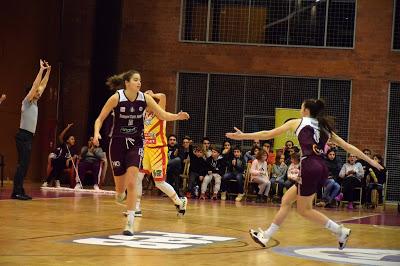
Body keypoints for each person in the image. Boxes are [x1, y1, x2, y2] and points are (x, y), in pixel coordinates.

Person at [226, 99, 382, 250]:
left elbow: (268, 134)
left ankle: (340, 231)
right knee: (286, 200)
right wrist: (371, 161)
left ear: (306, 110)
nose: (300, 110)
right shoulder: (324, 128)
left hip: (309, 165)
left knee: (304, 210)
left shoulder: (297, 122)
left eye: (301, 108)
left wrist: (242, 135)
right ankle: (266, 235)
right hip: (321, 168)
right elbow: (349, 147)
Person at [93, 69, 189, 236]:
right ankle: (124, 197)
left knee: (137, 180)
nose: (139, 83)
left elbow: (164, 108)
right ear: (127, 82)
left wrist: (177, 116)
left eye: (140, 80)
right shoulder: (121, 100)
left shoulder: (148, 102)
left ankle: (131, 220)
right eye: (136, 80)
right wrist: (96, 133)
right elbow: (100, 118)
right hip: (120, 144)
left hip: (144, 147)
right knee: (123, 189)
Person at [135, 90, 188, 217]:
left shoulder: (158, 113)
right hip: (146, 149)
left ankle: (179, 201)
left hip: (158, 151)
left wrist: (151, 95)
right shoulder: (144, 114)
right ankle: (136, 207)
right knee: (138, 177)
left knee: (159, 183)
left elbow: (163, 96)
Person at [11, 60, 51, 200]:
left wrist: (48, 71)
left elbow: (42, 85)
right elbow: (36, 85)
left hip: (28, 137)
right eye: (36, 92)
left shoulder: (35, 103)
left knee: (24, 165)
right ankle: (16, 192)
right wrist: (41, 70)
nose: (39, 93)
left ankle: (19, 190)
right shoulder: (26, 102)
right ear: (30, 93)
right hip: (23, 135)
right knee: (22, 165)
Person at [42, 123, 77, 188]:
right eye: (72, 139)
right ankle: (57, 180)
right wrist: (67, 128)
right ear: (67, 140)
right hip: (59, 161)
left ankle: (47, 181)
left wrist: (69, 159)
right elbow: (60, 137)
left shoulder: (73, 149)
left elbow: (75, 156)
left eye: (74, 139)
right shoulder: (64, 145)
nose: (73, 140)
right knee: (59, 162)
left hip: (66, 164)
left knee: (59, 163)